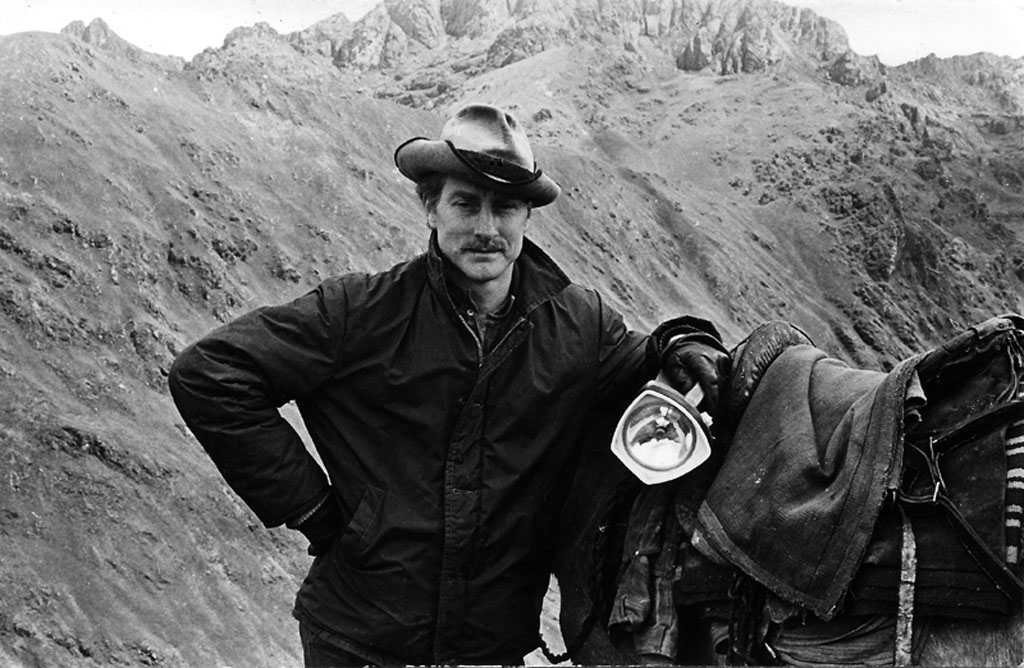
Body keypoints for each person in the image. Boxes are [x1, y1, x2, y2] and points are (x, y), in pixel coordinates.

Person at [168, 102, 730, 666]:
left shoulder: (580, 326)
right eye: (466, 203)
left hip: (490, 650)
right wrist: (314, 508)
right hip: (356, 642)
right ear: (430, 208)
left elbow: (648, 363)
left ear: (526, 217)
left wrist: (684, 339)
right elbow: (210, 374)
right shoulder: (360, 312)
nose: (487, 229)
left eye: (505, 207)